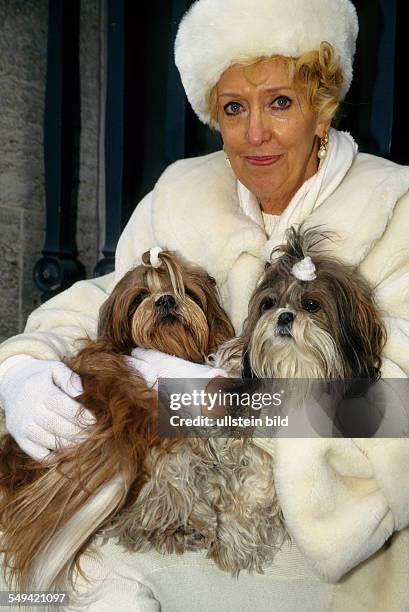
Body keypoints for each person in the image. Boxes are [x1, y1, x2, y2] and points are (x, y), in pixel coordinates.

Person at [1, 0, 409, 609]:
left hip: (314, 544)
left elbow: (392, 409)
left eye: (279, 102)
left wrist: (210, 404)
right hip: (170, 501)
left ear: (322, 107)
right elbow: (103, 300)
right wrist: (22, 368)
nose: (255, 135)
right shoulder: (182, 192)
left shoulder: (394, 207)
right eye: (234, 108)